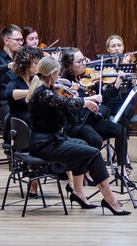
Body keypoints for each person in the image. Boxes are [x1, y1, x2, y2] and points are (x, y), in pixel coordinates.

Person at [26, 56, 130, 215]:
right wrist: (86, 102)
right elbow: (66, 103)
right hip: (44, 144)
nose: (59, 77)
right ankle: (111, 200)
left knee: (84, 147)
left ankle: (78, 193)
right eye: (58, 74)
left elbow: (67, 105)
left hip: (54, 140)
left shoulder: (47, 90)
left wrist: (85, 99)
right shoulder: (42, 93)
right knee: (94, 153)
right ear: (52, 73)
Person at [60, 48, 134, 187]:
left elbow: (103, 99)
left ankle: (122, 171)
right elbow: (71, 108)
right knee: (96, 139)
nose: (84, 63)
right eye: (80, 61)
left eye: (84, 59)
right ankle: (86, 171)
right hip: (77, 124)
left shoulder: (87, 78)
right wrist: (84, 98)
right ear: (70, 66)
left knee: (121, 130)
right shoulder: (66, 82)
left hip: (91, 119)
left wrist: (117, 82)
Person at [4, 46, 43, 196]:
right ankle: (34, 182)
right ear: (26, 65)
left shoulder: (37, 81)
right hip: (18, 128)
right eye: (35, 63)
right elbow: (9, 94)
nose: (38, 67)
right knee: (38, 137)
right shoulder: (15, 82)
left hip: (33, 125)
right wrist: (32, 91)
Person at [104, 35, 137, 169]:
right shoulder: (104, 66)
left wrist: (127, 69)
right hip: (110, 101)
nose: (116, 49)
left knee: (123, 114)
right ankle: (110, 149)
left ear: (123, 47)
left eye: (119, 45)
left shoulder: (129, 65)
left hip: (125, 101)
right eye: (113, 46)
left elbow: (133, 85)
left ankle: (123, 155)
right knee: (102, 114)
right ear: (108, 49)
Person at [0, 24, 23, 121]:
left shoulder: (22, 57)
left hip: (22, 99)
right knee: (17, 118)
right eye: (17, 40)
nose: (21, 43)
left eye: (22, 40)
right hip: (5, 103)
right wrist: (8, 66)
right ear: (6, 40)